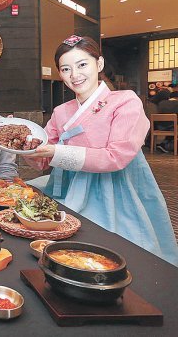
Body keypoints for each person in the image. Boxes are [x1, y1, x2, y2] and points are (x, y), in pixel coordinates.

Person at [24, 35, 178, 265]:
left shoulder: (126, 101)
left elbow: (115, 158)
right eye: (66, 69)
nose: (75, 75)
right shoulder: (61, 111)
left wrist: (54, 153)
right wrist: (29, 148)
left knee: (113, 257)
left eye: (82, 65)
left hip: (116, 190)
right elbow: (43, 162)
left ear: (100, 64)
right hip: (68, 186)